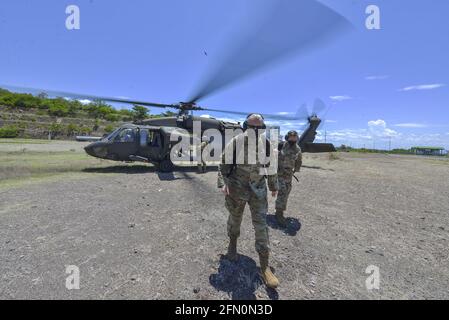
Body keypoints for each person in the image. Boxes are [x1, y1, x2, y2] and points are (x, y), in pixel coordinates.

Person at [217, 114, 280, 288]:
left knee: (261, 225)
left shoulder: (266, 145)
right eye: (251, 127)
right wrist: (223, 183)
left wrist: (274, 186)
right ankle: (232, 245)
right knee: (234, 219)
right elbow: (223, 164)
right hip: (237, 188)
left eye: (259, 128)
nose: (255, 131)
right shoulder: (236, 142)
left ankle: (265, 266)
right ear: (245, 127)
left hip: (258, 191)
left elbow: (271, 167)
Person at [275, 130, 302, 227]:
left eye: (295, 137)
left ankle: (280, 210)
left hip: (289, 174)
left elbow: (299, 160)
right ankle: (279, 213)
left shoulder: (297, 149)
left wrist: (296, 169)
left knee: (287, 191)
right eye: (291, 137)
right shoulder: (281, 145)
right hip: (280, 173)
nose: (293, 139)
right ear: (287, 137)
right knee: (282, 191)